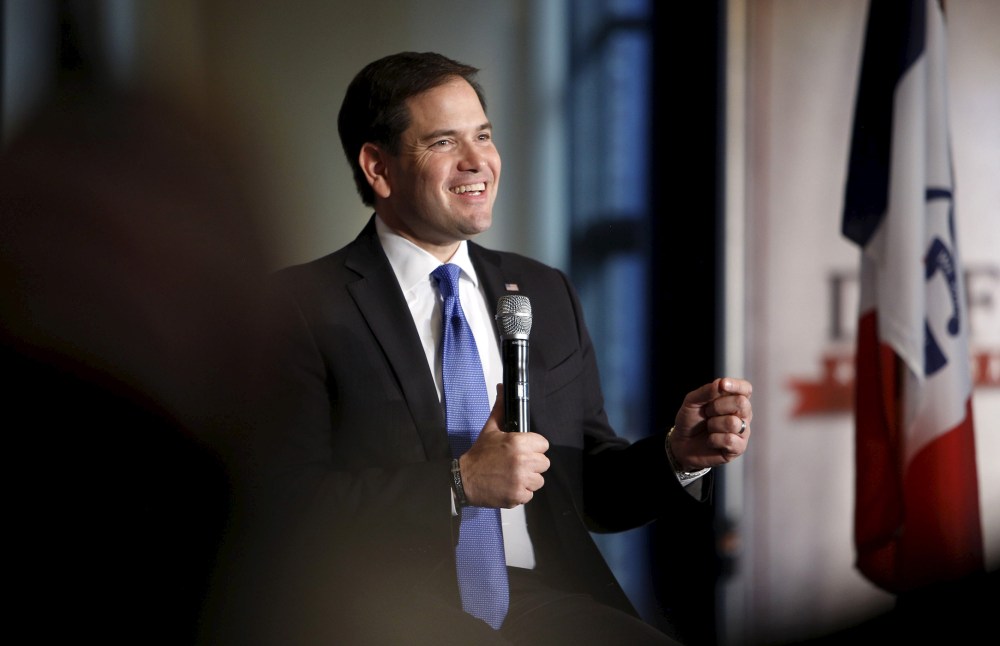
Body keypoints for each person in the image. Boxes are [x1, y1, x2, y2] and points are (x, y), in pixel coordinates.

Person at [260, 51, 752, 645]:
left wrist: (678, 455)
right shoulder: (299, 307)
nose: (478, 162)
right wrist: (459, 483)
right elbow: (285, 510)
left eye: (484, 136)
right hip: (382, 609)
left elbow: (589, 487)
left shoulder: (544, 290)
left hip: (540, 601)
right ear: (378, 167)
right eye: (444, 141)